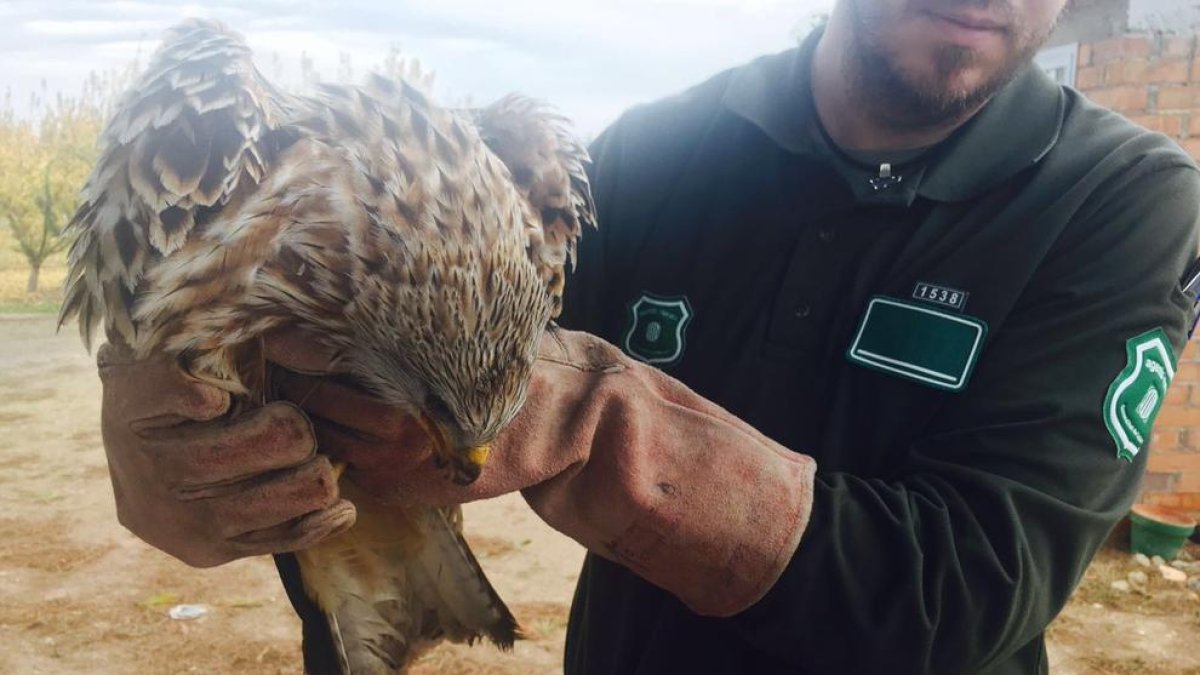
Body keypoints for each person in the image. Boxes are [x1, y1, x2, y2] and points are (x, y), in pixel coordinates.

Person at [95, 0, 1200, 672]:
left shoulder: (1124, 202)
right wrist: (195, 418)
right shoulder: (649, 156)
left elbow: (967, 590)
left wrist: (590, 420)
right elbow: (398, 409)